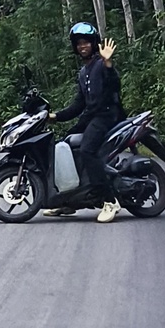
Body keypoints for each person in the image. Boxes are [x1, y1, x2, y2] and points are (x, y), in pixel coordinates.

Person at [51, 20, 120, 221]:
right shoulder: (83, 72)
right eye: (79, 43)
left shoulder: (101, 64)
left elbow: (114, 85)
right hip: (91, 117)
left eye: (86, 42)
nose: (83, 46)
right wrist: (54, 117)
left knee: (87, 151)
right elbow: (78, 105)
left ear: (93, 43)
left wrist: (108, 64)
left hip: (107, 116)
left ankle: (110, 200)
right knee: (64, 145)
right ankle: (68, 201)